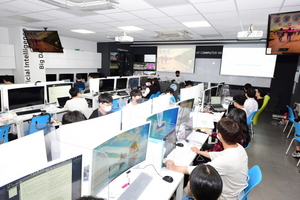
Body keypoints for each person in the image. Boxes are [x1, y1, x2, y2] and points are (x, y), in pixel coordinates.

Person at [166, 118, 248, 200]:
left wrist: (174, 167)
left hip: (226, 197)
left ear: (219, 136)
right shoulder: (239, 148)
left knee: (190, 184)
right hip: (234, 191)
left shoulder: (226, 160)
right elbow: (217, 154)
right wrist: (199, 152)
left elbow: (200, 172)